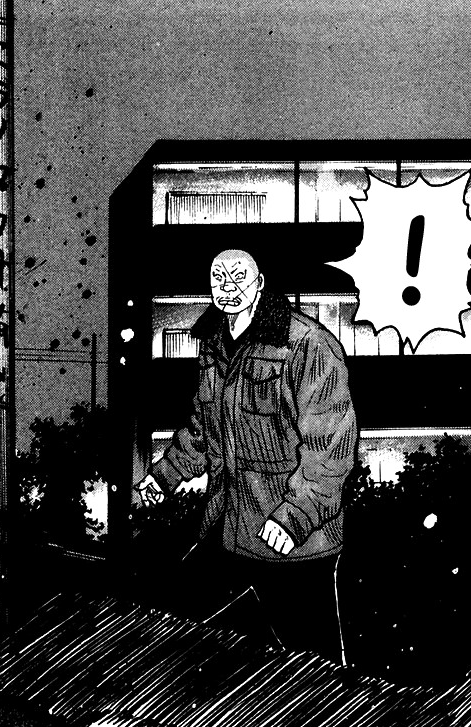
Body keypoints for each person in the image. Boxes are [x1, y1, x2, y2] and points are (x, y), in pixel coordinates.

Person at [135, 249, 359, 663]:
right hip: (229, 525)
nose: (229, 287)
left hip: (293, 540)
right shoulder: (214, 342)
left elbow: (330, 445)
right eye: (219, 277)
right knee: (180, 628)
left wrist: (295, 515)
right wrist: (166, 474)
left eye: (239, 277)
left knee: (315, 662)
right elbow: (205, 425)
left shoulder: (307, 344)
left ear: (260, 284)